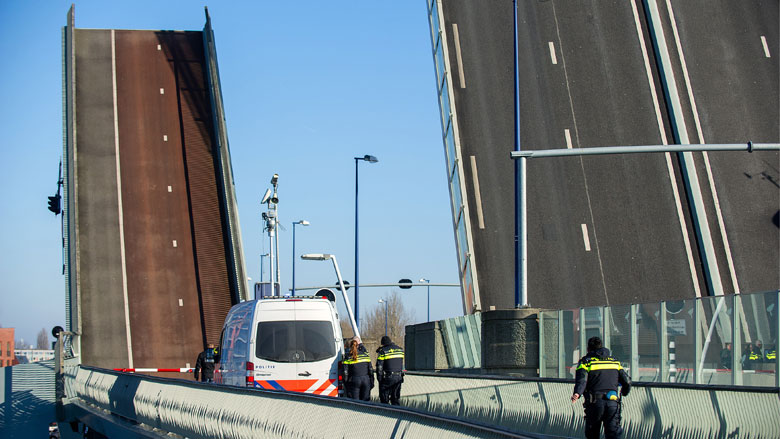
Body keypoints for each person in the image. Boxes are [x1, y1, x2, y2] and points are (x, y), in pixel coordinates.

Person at [571, 336, 631, 439]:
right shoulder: (614, 362)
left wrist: (577, 393)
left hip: (594, 403)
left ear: (588, 349)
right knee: (613, 435)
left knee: (593, 434)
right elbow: (627, 381)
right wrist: (624, 392)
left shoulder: (586, 362)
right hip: (613, 403)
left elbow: (582, 380)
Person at [375, 335, 405, 405]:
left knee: (384, 399)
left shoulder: (383, 351)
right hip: (399, 377)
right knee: (395, 399)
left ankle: (386, 413)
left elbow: (379, 367)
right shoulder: (400, 350)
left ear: (383, 343)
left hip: (388, 378)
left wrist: (380, 379)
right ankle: (397, 414)